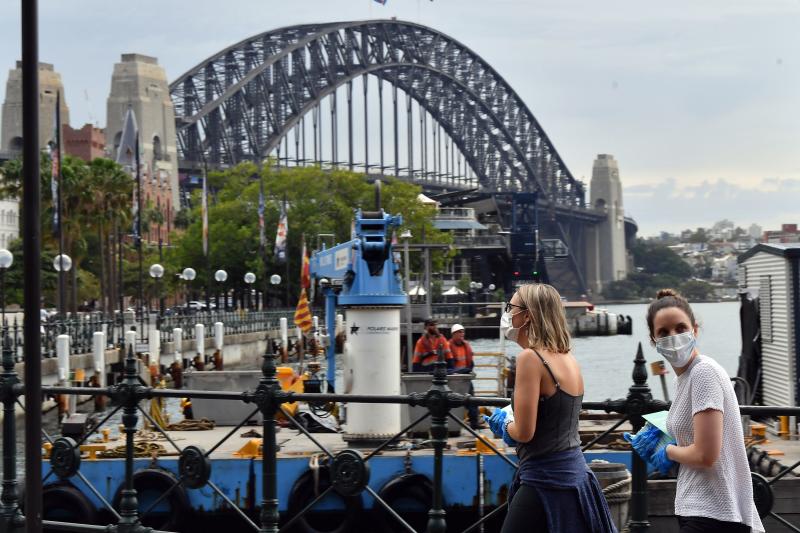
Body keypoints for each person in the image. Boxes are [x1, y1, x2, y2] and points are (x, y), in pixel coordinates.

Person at [486, 284, 616, 533]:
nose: (507, 313)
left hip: (544, 480)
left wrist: (504, 423)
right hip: (577, 477)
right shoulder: (569, 359)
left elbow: (524, 433)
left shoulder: (530, 358)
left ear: (527, 315)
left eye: (511, 307)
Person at [640, 289, 764, 532]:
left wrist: (666, 450)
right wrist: (663, 434)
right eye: (663, 332)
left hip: (714, 513)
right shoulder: (684, 379)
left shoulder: (703, 373)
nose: (673, 337)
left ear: (695, 330)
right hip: (699, 508)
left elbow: (706, 455)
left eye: (680, 328)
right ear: (654, 340)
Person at [449, 323, 481, 428]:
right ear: (453, 334)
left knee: (471, 400)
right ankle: (453, 425)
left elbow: (470, 363)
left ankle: (474, 423)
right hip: (453, 379)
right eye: (459, 332)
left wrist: (468, 372)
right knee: (453, 401)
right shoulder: (448, 346)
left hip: (465, 378)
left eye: (463, 332)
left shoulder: (466, 346)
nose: (462, 334)